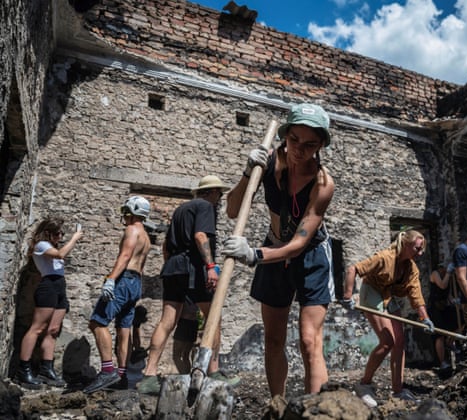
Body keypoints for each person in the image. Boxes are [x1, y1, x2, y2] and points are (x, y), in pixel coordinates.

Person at [223, 103, 335, 398]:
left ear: (321, 145)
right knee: (273, 339)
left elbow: (298, 245)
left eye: (310, 144)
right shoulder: (269, 163)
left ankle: (316, 412)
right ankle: (278, 406)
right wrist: (249, 172)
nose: (299, 149)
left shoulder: (323, 184)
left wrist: (253, 255)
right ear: (285, 135)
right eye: (294, 139)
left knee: (310, 341)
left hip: (310, 255)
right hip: (274, 246)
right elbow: (232, 210)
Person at [137, 175, 230, 394]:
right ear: (213, 192)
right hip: (194, 267)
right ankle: (214, 371)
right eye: (220, 193)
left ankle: (149, 375)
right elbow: (200, 236)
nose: (221, 198)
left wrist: (172, 266)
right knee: (213, 318)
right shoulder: (206, 206)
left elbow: (166, 246)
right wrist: (210, 266)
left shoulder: (181, 210)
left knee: (167, 321)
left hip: (173, 267)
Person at [342, 230, 434, 407]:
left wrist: (425, 318)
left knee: (399, 342)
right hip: (372, 291)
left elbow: (416, 294)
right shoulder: (385, 257)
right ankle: (364, 385)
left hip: (388, 295)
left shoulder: (411, 267)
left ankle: (398, 391)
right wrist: (348, 296)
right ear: (406, 244)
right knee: (387, 341)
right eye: (417, 248)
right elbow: (353, 269)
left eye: (422, 249)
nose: (420, 253)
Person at [83, 196, 151, 393]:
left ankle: (107, 371)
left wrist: (111, 279)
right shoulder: (145, 235)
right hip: (136, 282)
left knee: (97, 322)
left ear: (131, 211)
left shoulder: (132, 230)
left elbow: (125, 255)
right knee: (124, 329)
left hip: (124, 280)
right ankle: (122, 376)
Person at [14, 217, 83, 388]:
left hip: (59, 286)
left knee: (52, 330)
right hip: (48, 286)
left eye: (62, 234)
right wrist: (75, 238)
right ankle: (24, 370)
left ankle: (47, 368)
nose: (60, 236)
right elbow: (60, 255)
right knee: (37, 328)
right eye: (58, 233)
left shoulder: (51, 246)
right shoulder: (41, 246)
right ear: (48, 233)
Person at [427, 261, 458, 373]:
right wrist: (449, 274)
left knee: (459, 323)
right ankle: (442, 362)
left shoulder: (448, 276)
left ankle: (450, 342)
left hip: (444, 306)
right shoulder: (435, 274)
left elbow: (448, 293)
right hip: (434, 308)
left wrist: (454, 301)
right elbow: (442, 285)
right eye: (444, 269)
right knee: (439, 335)